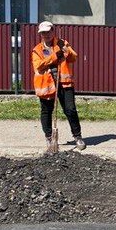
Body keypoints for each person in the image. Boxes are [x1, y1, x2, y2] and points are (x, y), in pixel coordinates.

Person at [32, 21, 85, 151]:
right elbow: (38, 65)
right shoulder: (37, 50)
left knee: (70, 110)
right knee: (46, 112)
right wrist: (55, 57)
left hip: (64, 83)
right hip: (47, 85)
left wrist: (66, 51)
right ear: (40, 34)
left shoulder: (62, 43)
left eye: (48, 32)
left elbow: (74, 57)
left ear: (53, 31)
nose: (46, 35)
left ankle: (77, 136)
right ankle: (49, 137)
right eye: (43, 33)